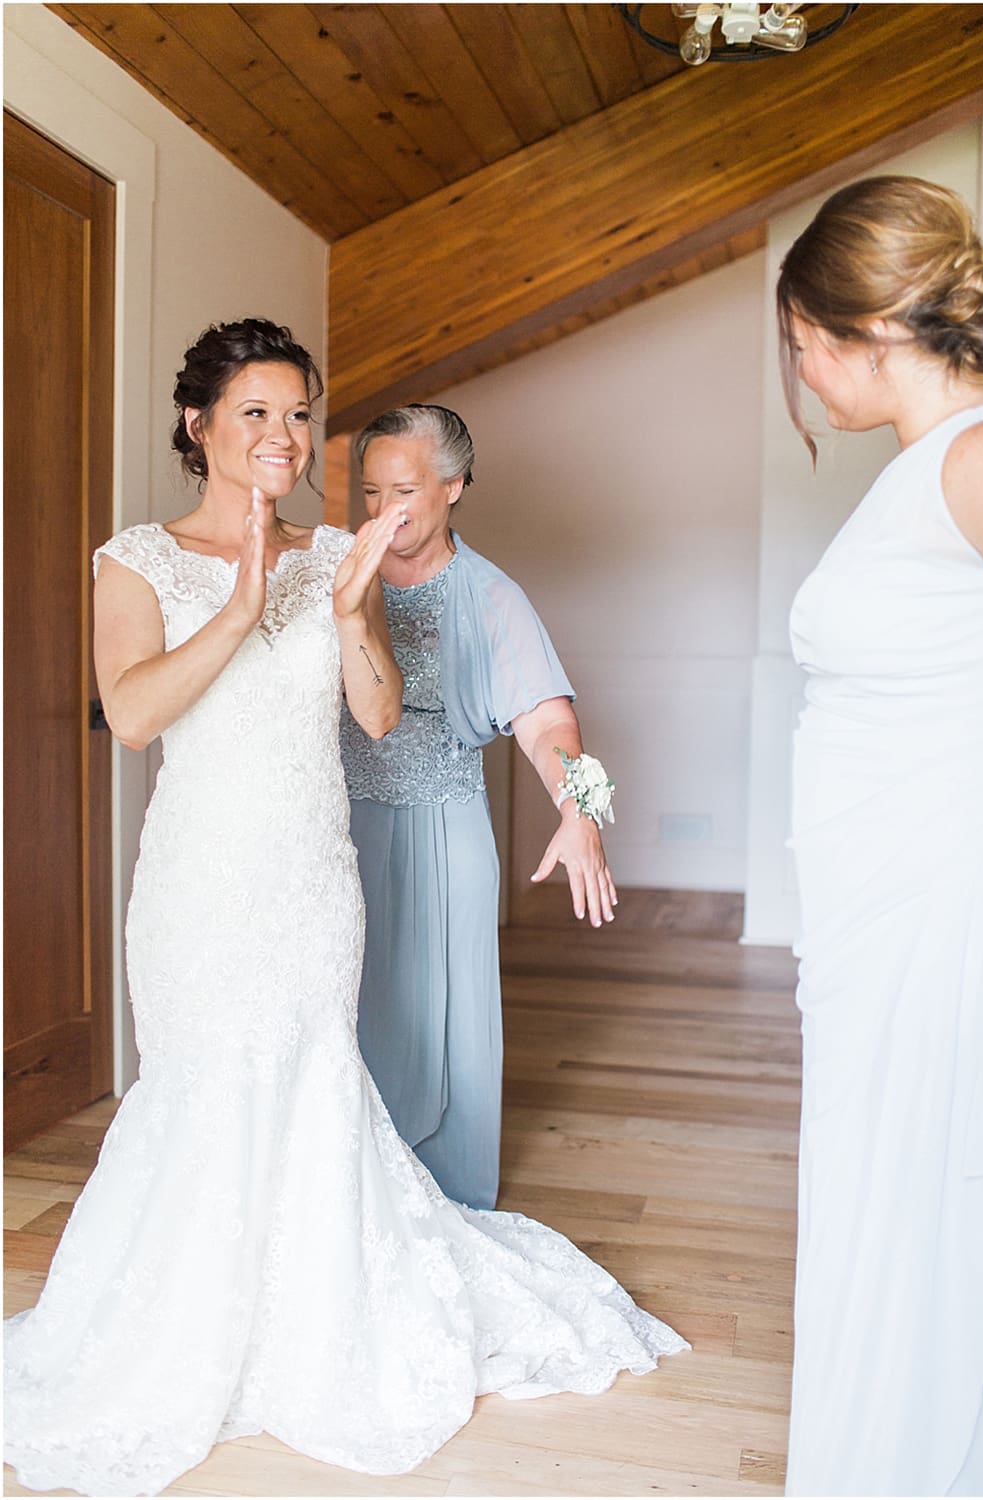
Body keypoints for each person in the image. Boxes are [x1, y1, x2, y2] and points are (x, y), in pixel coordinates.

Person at [4, 320, 684, 1498]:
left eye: (302, 415)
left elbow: (459, 721)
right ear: (199, 425)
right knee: (223, 1076)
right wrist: (256, 600)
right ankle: (203, 1310)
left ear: (452, 490)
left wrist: (359, 613)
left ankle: (348, 1284)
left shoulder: (413, 579)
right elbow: (137, 715)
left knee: (371, 1069)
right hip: (222, 872)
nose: (290, 440)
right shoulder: (150, 558)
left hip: (367, 859)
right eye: (262, 414)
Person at [778, 175, 983, 1496]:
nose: (802, 375)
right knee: (880, 1168)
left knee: (915, 1171)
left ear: (859, 333)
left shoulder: (969, 458)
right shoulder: (925, 464)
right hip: (879, 893)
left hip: (933, 889)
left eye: (803, 345)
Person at [341, 403, 617, 1213]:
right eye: (369, 493)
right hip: (336, 827)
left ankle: (443, 1203)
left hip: (443, 831)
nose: (385, 511)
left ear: (454, 485)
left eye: (405, 490)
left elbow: (552, 723)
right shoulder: (336, 572)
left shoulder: (491, 597)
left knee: (440, 1025)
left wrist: (583, 812)